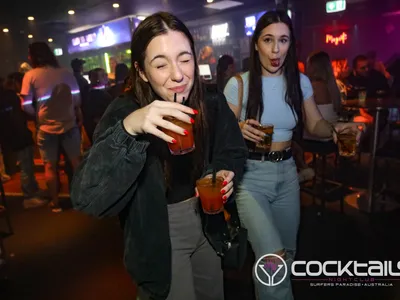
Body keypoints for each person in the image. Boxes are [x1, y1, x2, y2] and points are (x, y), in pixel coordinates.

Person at [71, 12, 247, 300]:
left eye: (185, 58)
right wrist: (130, 130)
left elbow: (233, 150)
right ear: (141, 72)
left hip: (208, 221)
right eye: (161, 64)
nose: (177, 74)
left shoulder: (210, 102)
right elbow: (85, 198)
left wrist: (224, 169)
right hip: (159, 232)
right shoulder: (124, 112)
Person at [223, 10, 363, 300]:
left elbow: (315, 125)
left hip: (287, 175)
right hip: (250, 178)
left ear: (291, 44)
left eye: (283, 40)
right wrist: (237, 128)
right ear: (257, 44)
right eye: (268, 40)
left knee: (287, 254)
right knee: (272, 258)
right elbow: (217, 136)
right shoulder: (239, 84)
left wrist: (337, 129)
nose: (275, 50)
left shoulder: (300, 82)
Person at [20, 42, 83, 213]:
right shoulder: (66, 73)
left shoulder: (30, 75)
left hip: (46, 128)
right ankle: (81, 199)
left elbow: (25, 105)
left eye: (29, 54)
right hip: (69, 124)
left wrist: (37, 115)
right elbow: (77, 100)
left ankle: (55, 202)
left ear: (34, 56)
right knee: (76, 162)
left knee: (50, 166)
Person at [0, 72, 46, 209]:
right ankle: (29, 196)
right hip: (19, 137)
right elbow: (17, 119)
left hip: (12, 137)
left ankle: (33, 190)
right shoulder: (10, 97)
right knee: (26, 166)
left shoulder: (5, 98)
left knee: (28, 165)